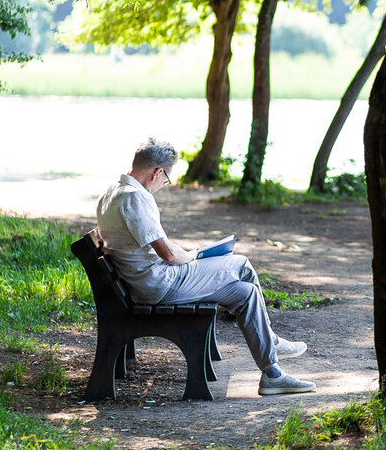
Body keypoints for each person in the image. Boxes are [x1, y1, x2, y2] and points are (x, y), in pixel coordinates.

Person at [96, 138, 315, 395]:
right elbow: (168, 254)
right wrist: (194, 257)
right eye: (166, 180)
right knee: (241, 264)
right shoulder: (135, 198)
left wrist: (193, 256)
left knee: (245, 293)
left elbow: (158, 247)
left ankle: (272, 374)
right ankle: (272, 342)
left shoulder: (112, 192)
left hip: (145, 281)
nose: (163, 185)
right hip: (158, 284)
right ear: (157, 172)